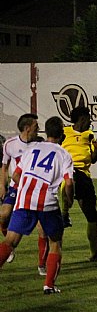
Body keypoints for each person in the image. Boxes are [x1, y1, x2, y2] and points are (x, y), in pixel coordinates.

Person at [0, 116, 74, 294]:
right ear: (62, 135)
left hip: (24, 200)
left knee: (10, 241)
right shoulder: (64, 154)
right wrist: (69, 200)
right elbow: (69, 183)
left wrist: (26, 187)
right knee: (55, 241)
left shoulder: (32, 149)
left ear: (46, 132)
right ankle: (48, 285)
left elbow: (16, 175)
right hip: (47, 204)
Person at [0, 114, 50, 275]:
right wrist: (2, 185)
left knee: (42, 229)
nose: (38, 128)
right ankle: (10, 248)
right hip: (16, 188)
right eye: (36, 125)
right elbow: (5, 167)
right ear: (27, 128)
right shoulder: (10, 144)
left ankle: (42, 265)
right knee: (3, 215)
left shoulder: (40, 144)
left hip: (34, 190)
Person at [61, 106, 97, 262]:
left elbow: (93, 160)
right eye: (89, 118)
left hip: (85, 177)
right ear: (82, 119)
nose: (91, 121)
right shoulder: (64, 133)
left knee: (92, 216)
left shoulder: (89, 135)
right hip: (68, 172)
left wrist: (96, 149)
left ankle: (94, 254)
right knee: (71, 179)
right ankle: (64, 213)